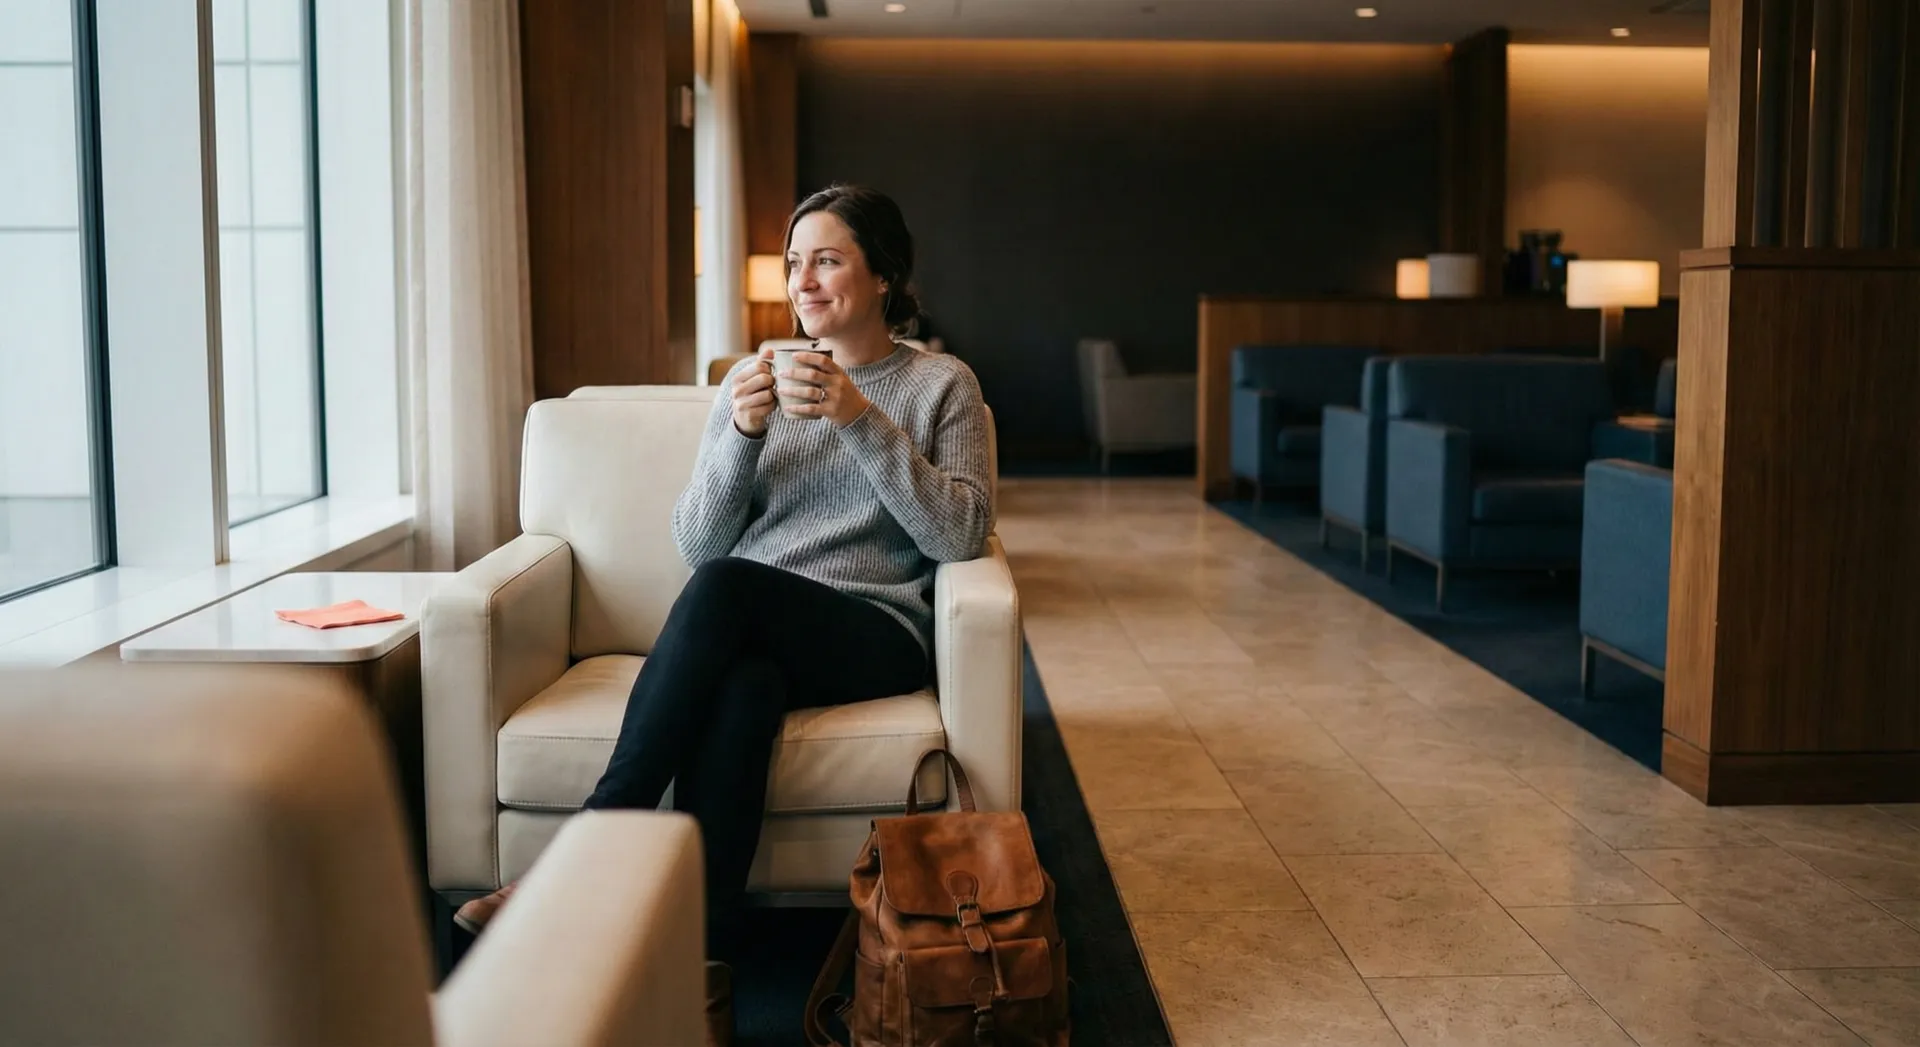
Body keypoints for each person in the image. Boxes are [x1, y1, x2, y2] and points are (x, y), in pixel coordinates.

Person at [453, 185, 992, 1045]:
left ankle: (589, 852)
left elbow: (962, 534)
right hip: (756, 623)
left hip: (875, 629)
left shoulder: (939, 385)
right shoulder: (760, 376)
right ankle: (701, 982)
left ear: (884, 274)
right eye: (794, 262)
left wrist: (859, 419)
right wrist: (739, 433)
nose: (804, 280)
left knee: (729, 591)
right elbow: (699, 542)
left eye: (828, 258)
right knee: (742, 688)